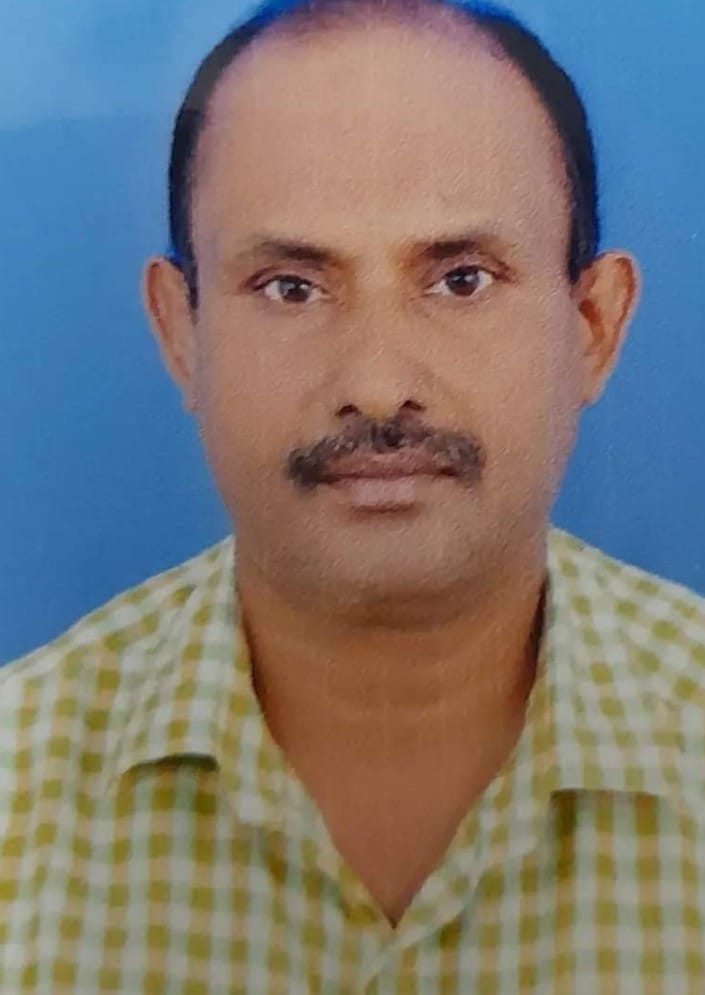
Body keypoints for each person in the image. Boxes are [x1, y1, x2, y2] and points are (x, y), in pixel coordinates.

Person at [1, 0, 704, 990]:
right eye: (291, 287)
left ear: (592, 324)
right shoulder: (16, 789)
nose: (376, 384)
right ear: (180, 331)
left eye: (461, 279)